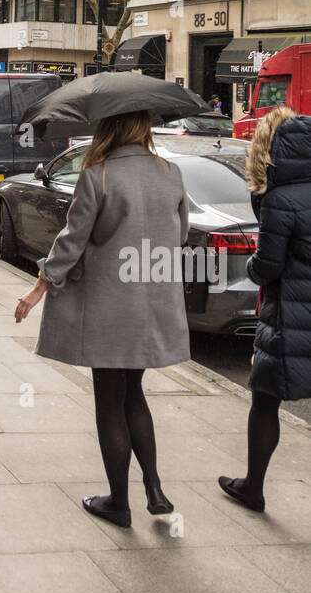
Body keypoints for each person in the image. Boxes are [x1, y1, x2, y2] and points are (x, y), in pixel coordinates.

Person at [16, 110, 190, 528]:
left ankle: (119, 503)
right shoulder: (171, 173)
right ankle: (153, 487)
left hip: (110, 307)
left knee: (109, 399)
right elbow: (180, 235)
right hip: (152, 305)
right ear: (143, 125)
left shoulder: (98, 175)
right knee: (134, 391)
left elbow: (72, 241)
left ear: (109, 126)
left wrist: (41, 286)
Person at [218, 107, 311, 513]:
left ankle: (253, 487)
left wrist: (254, 264)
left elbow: (267, 267)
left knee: (266, 399)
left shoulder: (279, 199)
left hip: (289, 316)